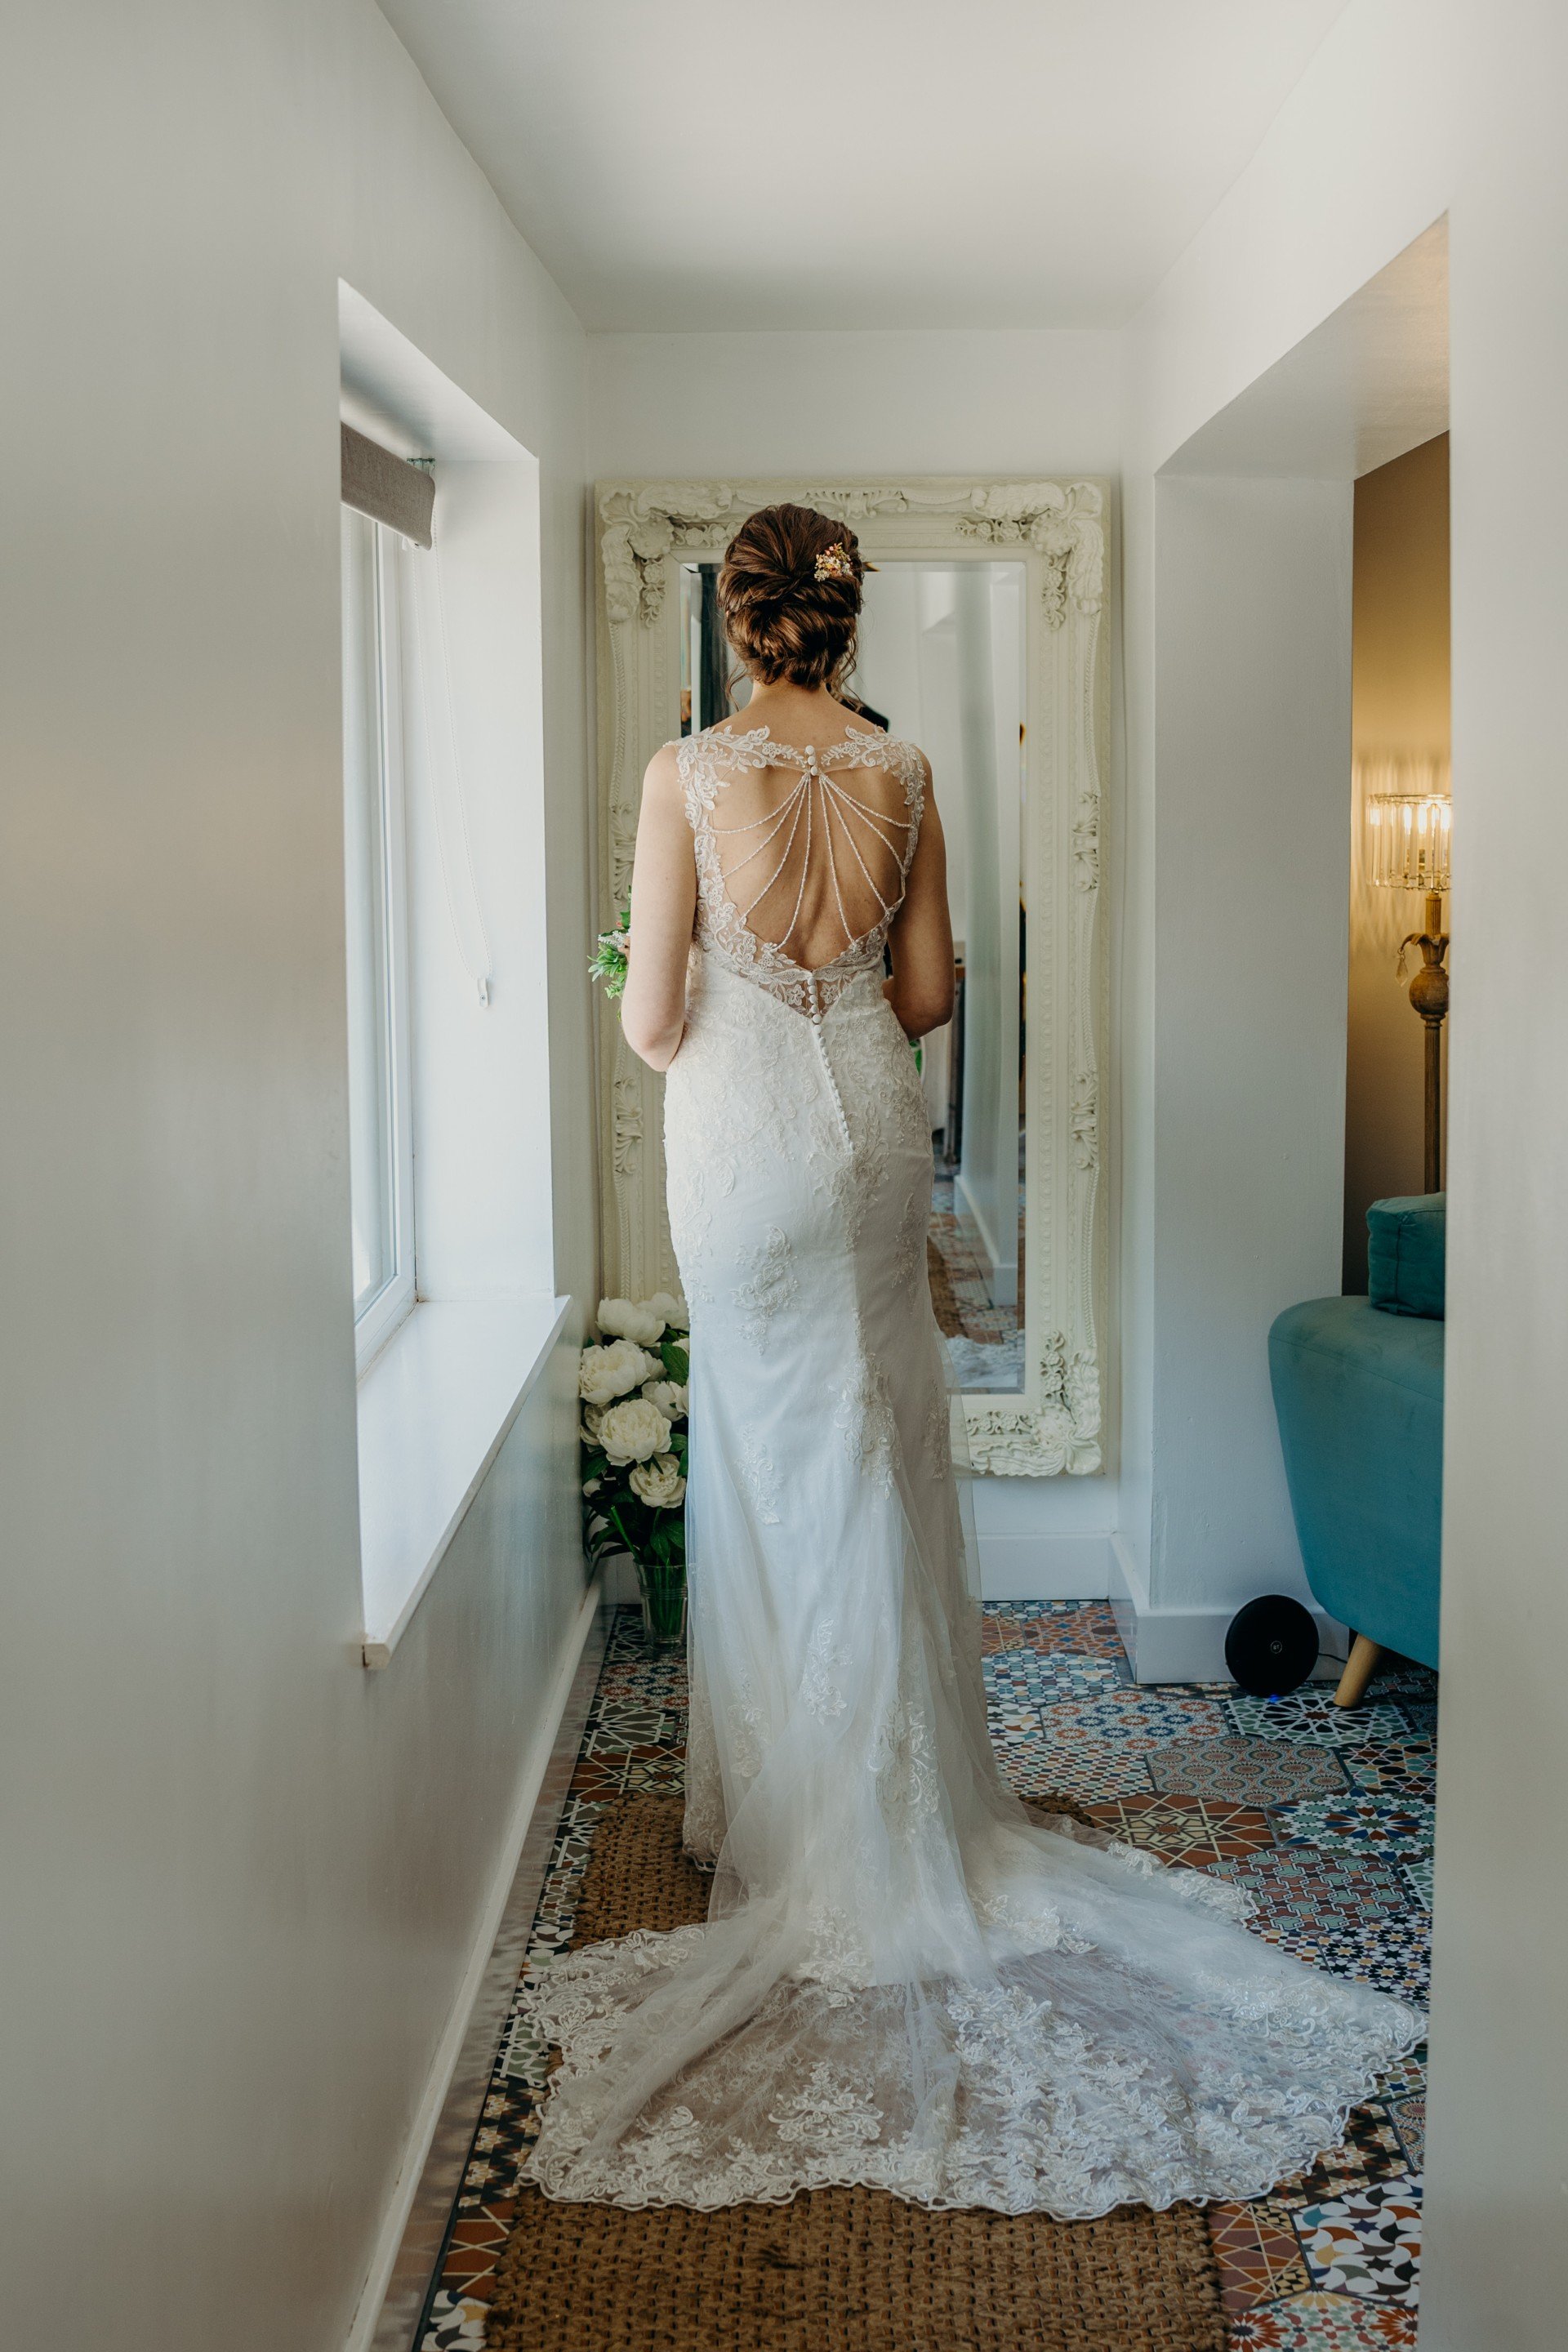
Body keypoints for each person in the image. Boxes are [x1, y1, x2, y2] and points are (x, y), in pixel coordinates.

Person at [523, 504, 1420, 2216]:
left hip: (741, 1147)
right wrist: (836, 980)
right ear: (843, 621)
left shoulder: (686, 771)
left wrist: (678, 974)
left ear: (740, 620)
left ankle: (783, 1816)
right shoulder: (906, 767)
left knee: (769, 1457)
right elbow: (930, 994)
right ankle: (904, 1806)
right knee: (880, 1440)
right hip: (871, 1126)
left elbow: (649, 1020)